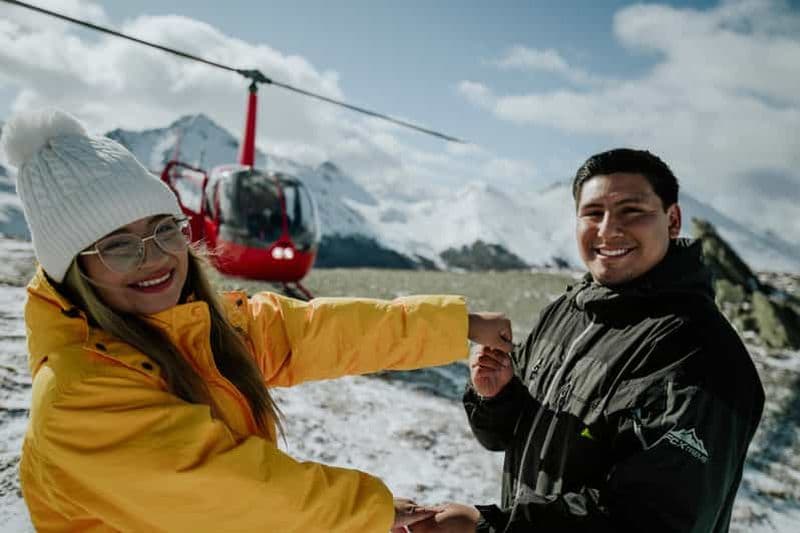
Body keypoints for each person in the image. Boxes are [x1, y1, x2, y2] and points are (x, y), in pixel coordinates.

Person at [1, 108, 513, 533]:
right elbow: (236, 496)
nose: (154, 257)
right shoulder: (78, 397)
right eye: (118, 246)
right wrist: (376, 512)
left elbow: (311, 332)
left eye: (164, 229)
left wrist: (456, 324)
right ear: (74, 270)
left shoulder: (195, 325)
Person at [413, 148, 765, 532]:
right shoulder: (567, 311)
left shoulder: (702, 355)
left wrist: (489, 527)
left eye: (632, 211)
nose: (608, 229)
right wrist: (496, 396)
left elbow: (654, 519)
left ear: (673, 220)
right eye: (593, 213)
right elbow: (501, 437)